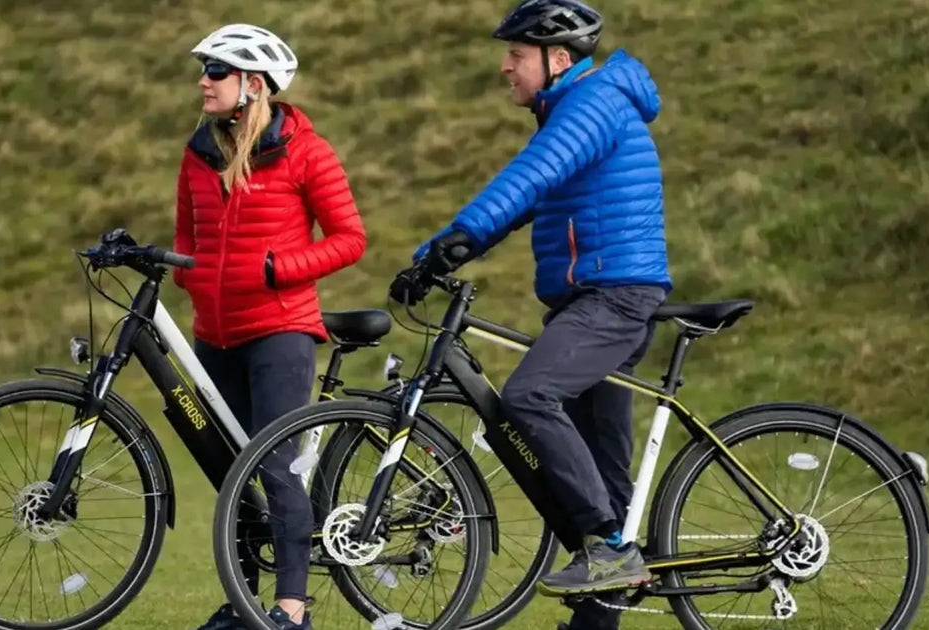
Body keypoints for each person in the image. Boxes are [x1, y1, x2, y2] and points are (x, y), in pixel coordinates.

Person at [393, 1, 671, 628]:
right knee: (603, 471)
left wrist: (459, 237)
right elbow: (529, 200)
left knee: (529, 396)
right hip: (593, 297)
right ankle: (602, 602)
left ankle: (609, 552)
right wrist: (434, 255)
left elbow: (529, 177)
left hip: (614, 296)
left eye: (516, 55)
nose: (505, 67)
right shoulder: (573, 109)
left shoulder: (593, 102)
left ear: (559, 59)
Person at [172, 23, 367, 630]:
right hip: (214, 334)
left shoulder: (307, 152)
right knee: (231, 473)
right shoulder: (199, 153)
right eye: (205, 70)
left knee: (276, 466)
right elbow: (186, 236)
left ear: (253, 85)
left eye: (216, 72)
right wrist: (188, 276)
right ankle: (244, 605)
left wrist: (278, 268)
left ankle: (292, 609)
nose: (204, 82)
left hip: (280, 330)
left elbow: (350, 239)